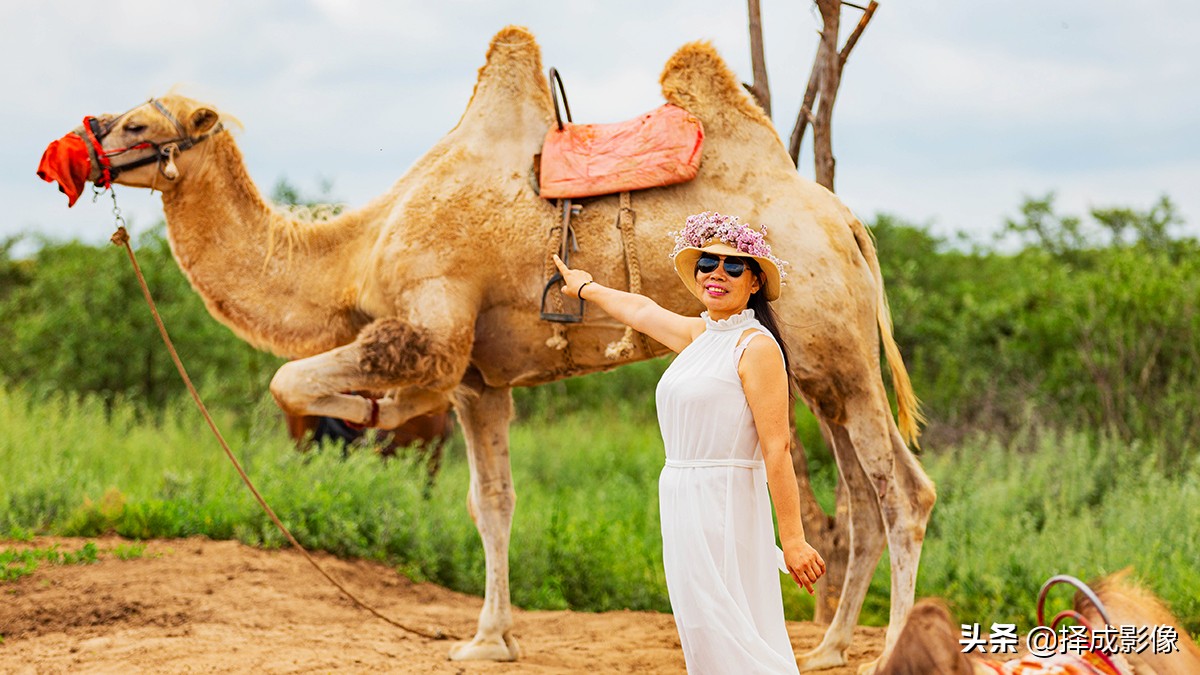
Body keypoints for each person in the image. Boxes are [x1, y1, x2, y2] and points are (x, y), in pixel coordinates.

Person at [553, 211, 825, 674]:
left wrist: (794, 539)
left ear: (755, 282)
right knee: (701, 627)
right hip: (681, 496)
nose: (717, 273)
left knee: (728, 626)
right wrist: (585, 287)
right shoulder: (701, 335)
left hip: (724, 500)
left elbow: (777, 447)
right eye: (707, 263)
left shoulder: (754, 347)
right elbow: (641, 310)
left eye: (734, 266)